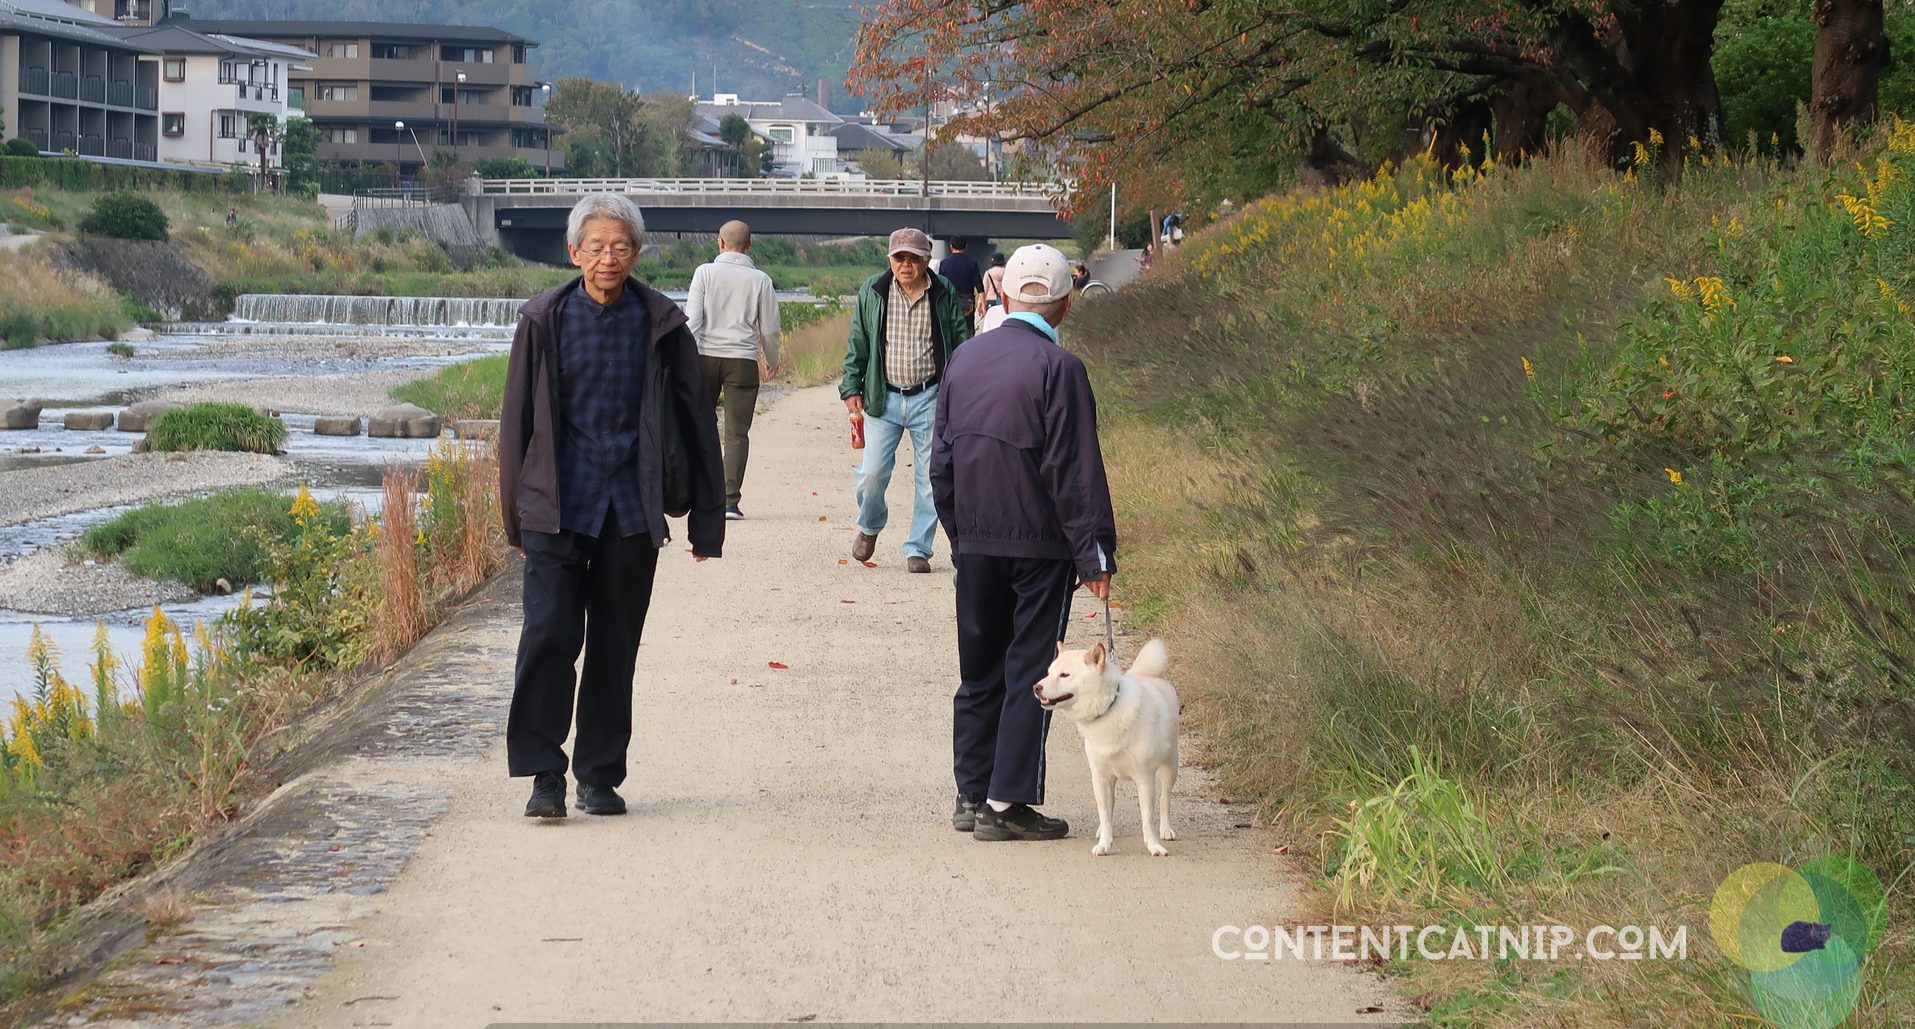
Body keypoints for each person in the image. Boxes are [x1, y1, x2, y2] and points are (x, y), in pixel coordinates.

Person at [499, 193, 725, 819]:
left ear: (637, 253)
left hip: (630, 505)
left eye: (620, 247)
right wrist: (514, 515)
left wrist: (707, 521)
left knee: (614, 646)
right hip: (556, 505)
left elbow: (696, 419)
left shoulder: (661, 323)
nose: (608, 258)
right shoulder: (543, 320)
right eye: (596, 247)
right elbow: (515, 422)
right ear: (574, 253)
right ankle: (544, 774)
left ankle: (599, 775)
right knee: (547, 637)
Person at [932, 243, 1116, 842]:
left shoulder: (964, 359)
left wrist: (959, 533)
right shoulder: (1061, 369)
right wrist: (1094, 554)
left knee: (979, 667)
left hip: (977, 540)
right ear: (1066, 305)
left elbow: (942, 460)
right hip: (1039, 546)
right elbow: (1074, 470)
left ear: (1004, 297)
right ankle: (1004, 803)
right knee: (1030, 670)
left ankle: (970, 792)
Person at [840, 226, 972, 573]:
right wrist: (851, 387)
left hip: (930, 396)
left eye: (914, 258)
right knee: (871, 473)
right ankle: (869, 526)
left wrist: (962, 391)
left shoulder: (943, 291)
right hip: (883, 397)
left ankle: (918, 549)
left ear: (927, 260)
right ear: (890, 260)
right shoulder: (873, 290)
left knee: (931, 478)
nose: (906, 265)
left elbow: (961, 342)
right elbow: (858, 341)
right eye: (899, 257)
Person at [686, 219, 781, 520]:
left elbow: (692, 321)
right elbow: (769, 329)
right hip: (742, 360)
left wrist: (683, 358)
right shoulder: (761, 280)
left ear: (720, 242)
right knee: (737, 433)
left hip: (705, 357)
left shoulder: (704, 273)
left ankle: (700, 494)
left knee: (700, 425)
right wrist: (772, 359)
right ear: (749, 244)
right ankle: (729, 502)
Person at [937, 235, 984, 331]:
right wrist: (982, 302)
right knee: (967, 330)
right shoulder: (972, 263)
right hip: (966, 304)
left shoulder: (944, 263)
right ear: (966, 247)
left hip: (949, 302)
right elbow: (979, 285)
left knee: (949, 329)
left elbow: (940, 284)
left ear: (951, 247)